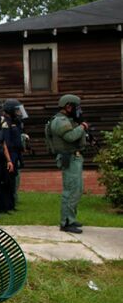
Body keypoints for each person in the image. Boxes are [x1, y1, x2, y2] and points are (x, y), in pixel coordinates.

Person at [49, 94, 87, 234]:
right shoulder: (60, 120)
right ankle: (65, 222)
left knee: (76, 189)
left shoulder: (68, 119)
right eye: (76, 107)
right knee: (70, 190)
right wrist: (82, 127)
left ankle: (71, 218)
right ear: (68, 106)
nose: (78, 110)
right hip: (68, 158)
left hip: (74, 158)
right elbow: (70, 136)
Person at [1, 99, 28, 213]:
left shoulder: (15, 122)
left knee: (12, 181)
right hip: (9, 155)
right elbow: (5, 142)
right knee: (7, 181)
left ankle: (11, 205)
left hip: (16, 154)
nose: (18, 113)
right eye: (16, 110)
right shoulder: (5, 123)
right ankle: (5, 206)